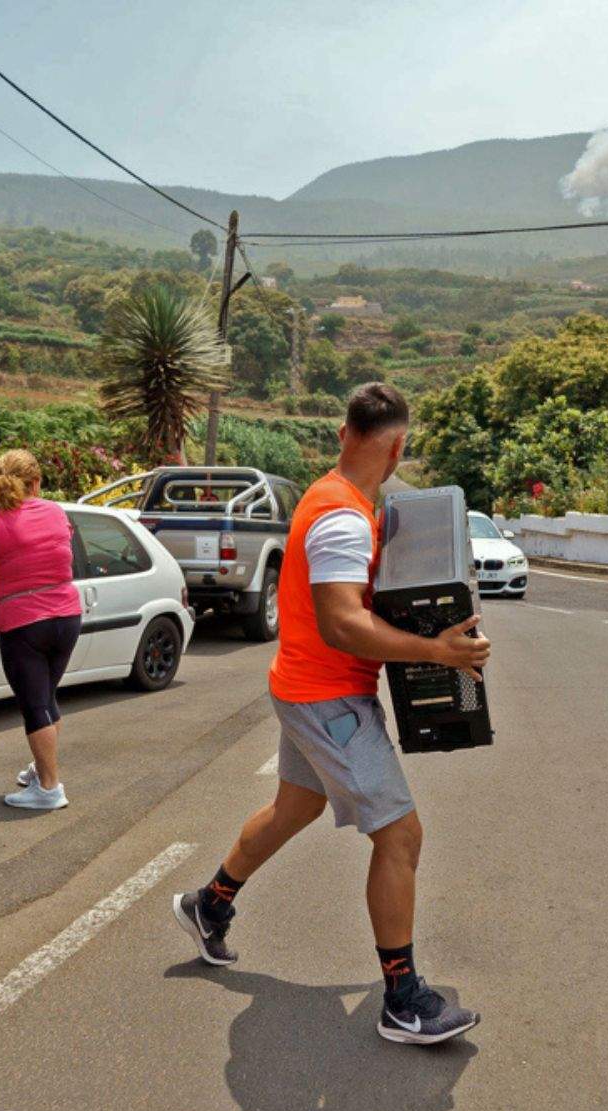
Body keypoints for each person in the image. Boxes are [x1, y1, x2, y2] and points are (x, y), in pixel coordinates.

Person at [173, 382, 492, 1046]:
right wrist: (436, 649)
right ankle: (402, 999)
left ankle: (209, 904)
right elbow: (343, 622)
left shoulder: (337, 500)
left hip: (303, 686)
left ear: (344, 433)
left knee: (296, 807)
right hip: (327, 697)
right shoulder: (344, 518)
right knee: (400, 837)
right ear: (398, 446)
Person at [0, 450, 84, 811]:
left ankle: (49, 789)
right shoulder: (56, 512)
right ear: (36, 482)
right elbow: (64, 558)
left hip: (23, 622)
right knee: (46, 698)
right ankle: (40, 769)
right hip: (67, 615)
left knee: (34, 706)